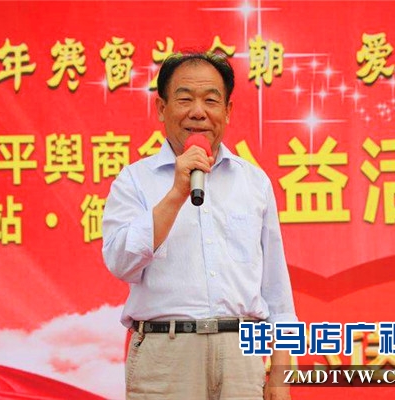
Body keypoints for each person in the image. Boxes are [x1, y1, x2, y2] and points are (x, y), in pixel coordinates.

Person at [102, 51, 297, 400]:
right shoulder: (134, 180)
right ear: (162, 108)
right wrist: (176, 193)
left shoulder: (254, 182)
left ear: (227, 111)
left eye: (210, 100)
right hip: (166, 357)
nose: (198, 112)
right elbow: (120, 262)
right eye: (185, 99)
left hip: (241, 357)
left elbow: (276, 289)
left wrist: (282, 369)